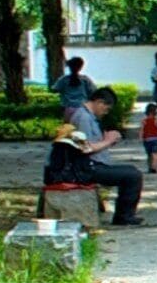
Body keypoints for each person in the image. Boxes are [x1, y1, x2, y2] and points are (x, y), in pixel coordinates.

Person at [45, 88, 144, 225]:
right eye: (106, 109)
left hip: (89, 165)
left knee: (131, 171)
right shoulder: (84, 118)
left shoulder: (88, 117)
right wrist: (108, 141)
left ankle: (124, 215)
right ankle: (124, 216)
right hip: (85, 169)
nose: (105, 113)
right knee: (132, 176)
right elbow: (86, 148)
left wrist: (107, 140)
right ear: (99, 102)